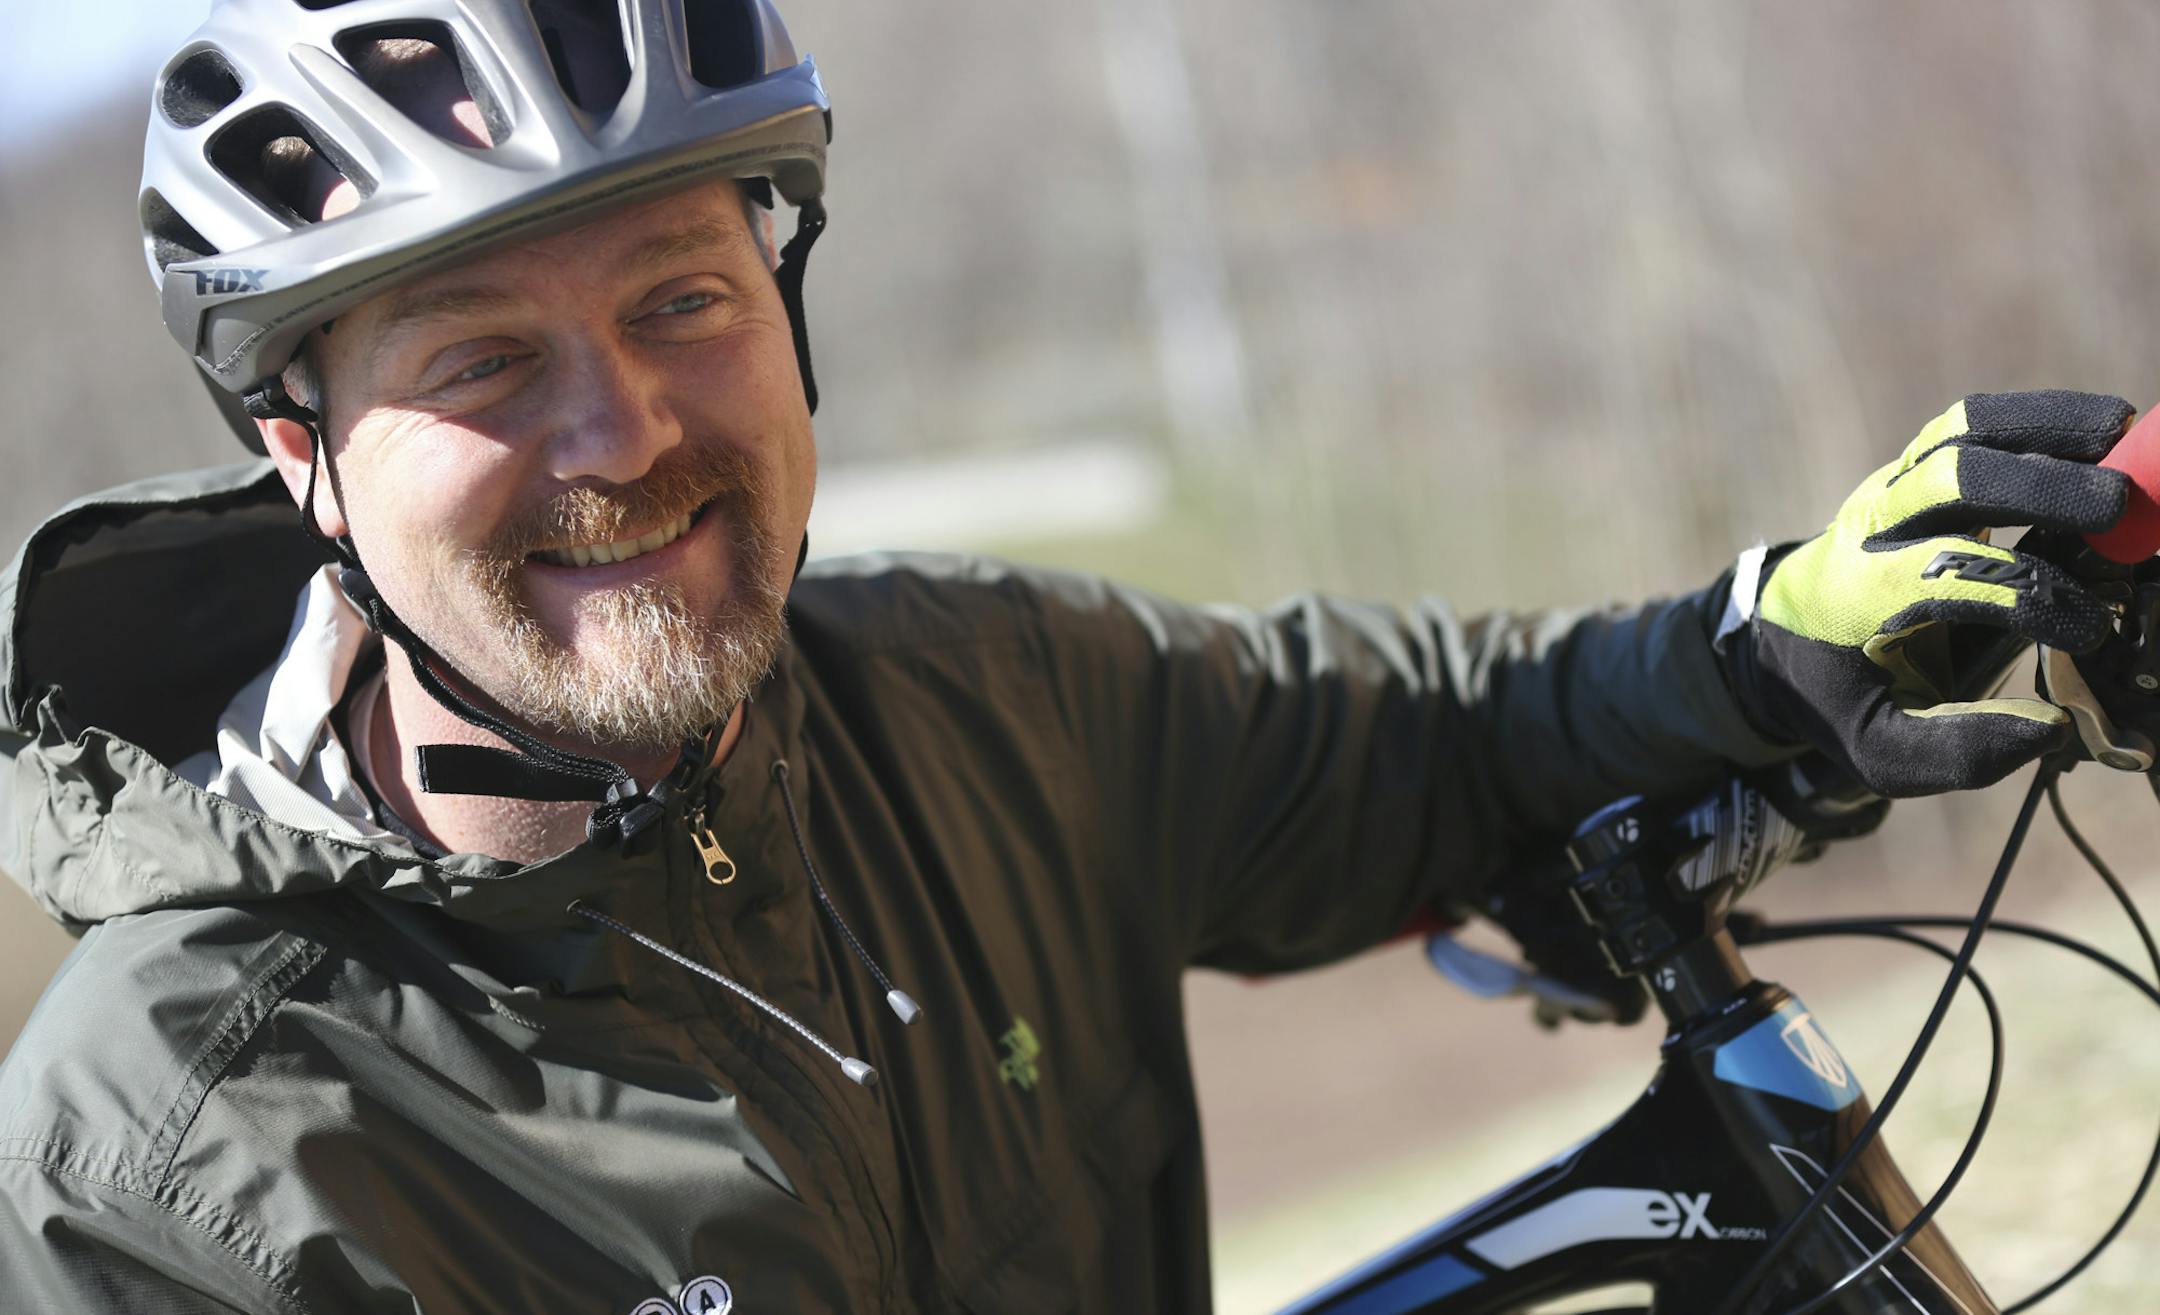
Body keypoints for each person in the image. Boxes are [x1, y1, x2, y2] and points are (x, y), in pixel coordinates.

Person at [0, 1, 2133, 1311]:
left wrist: (1775, 645)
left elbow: (1448, 734)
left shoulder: (970, 704)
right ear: (302, 460)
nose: (624, 435)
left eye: (681, 300)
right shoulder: (164, 1157)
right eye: (483, 361)